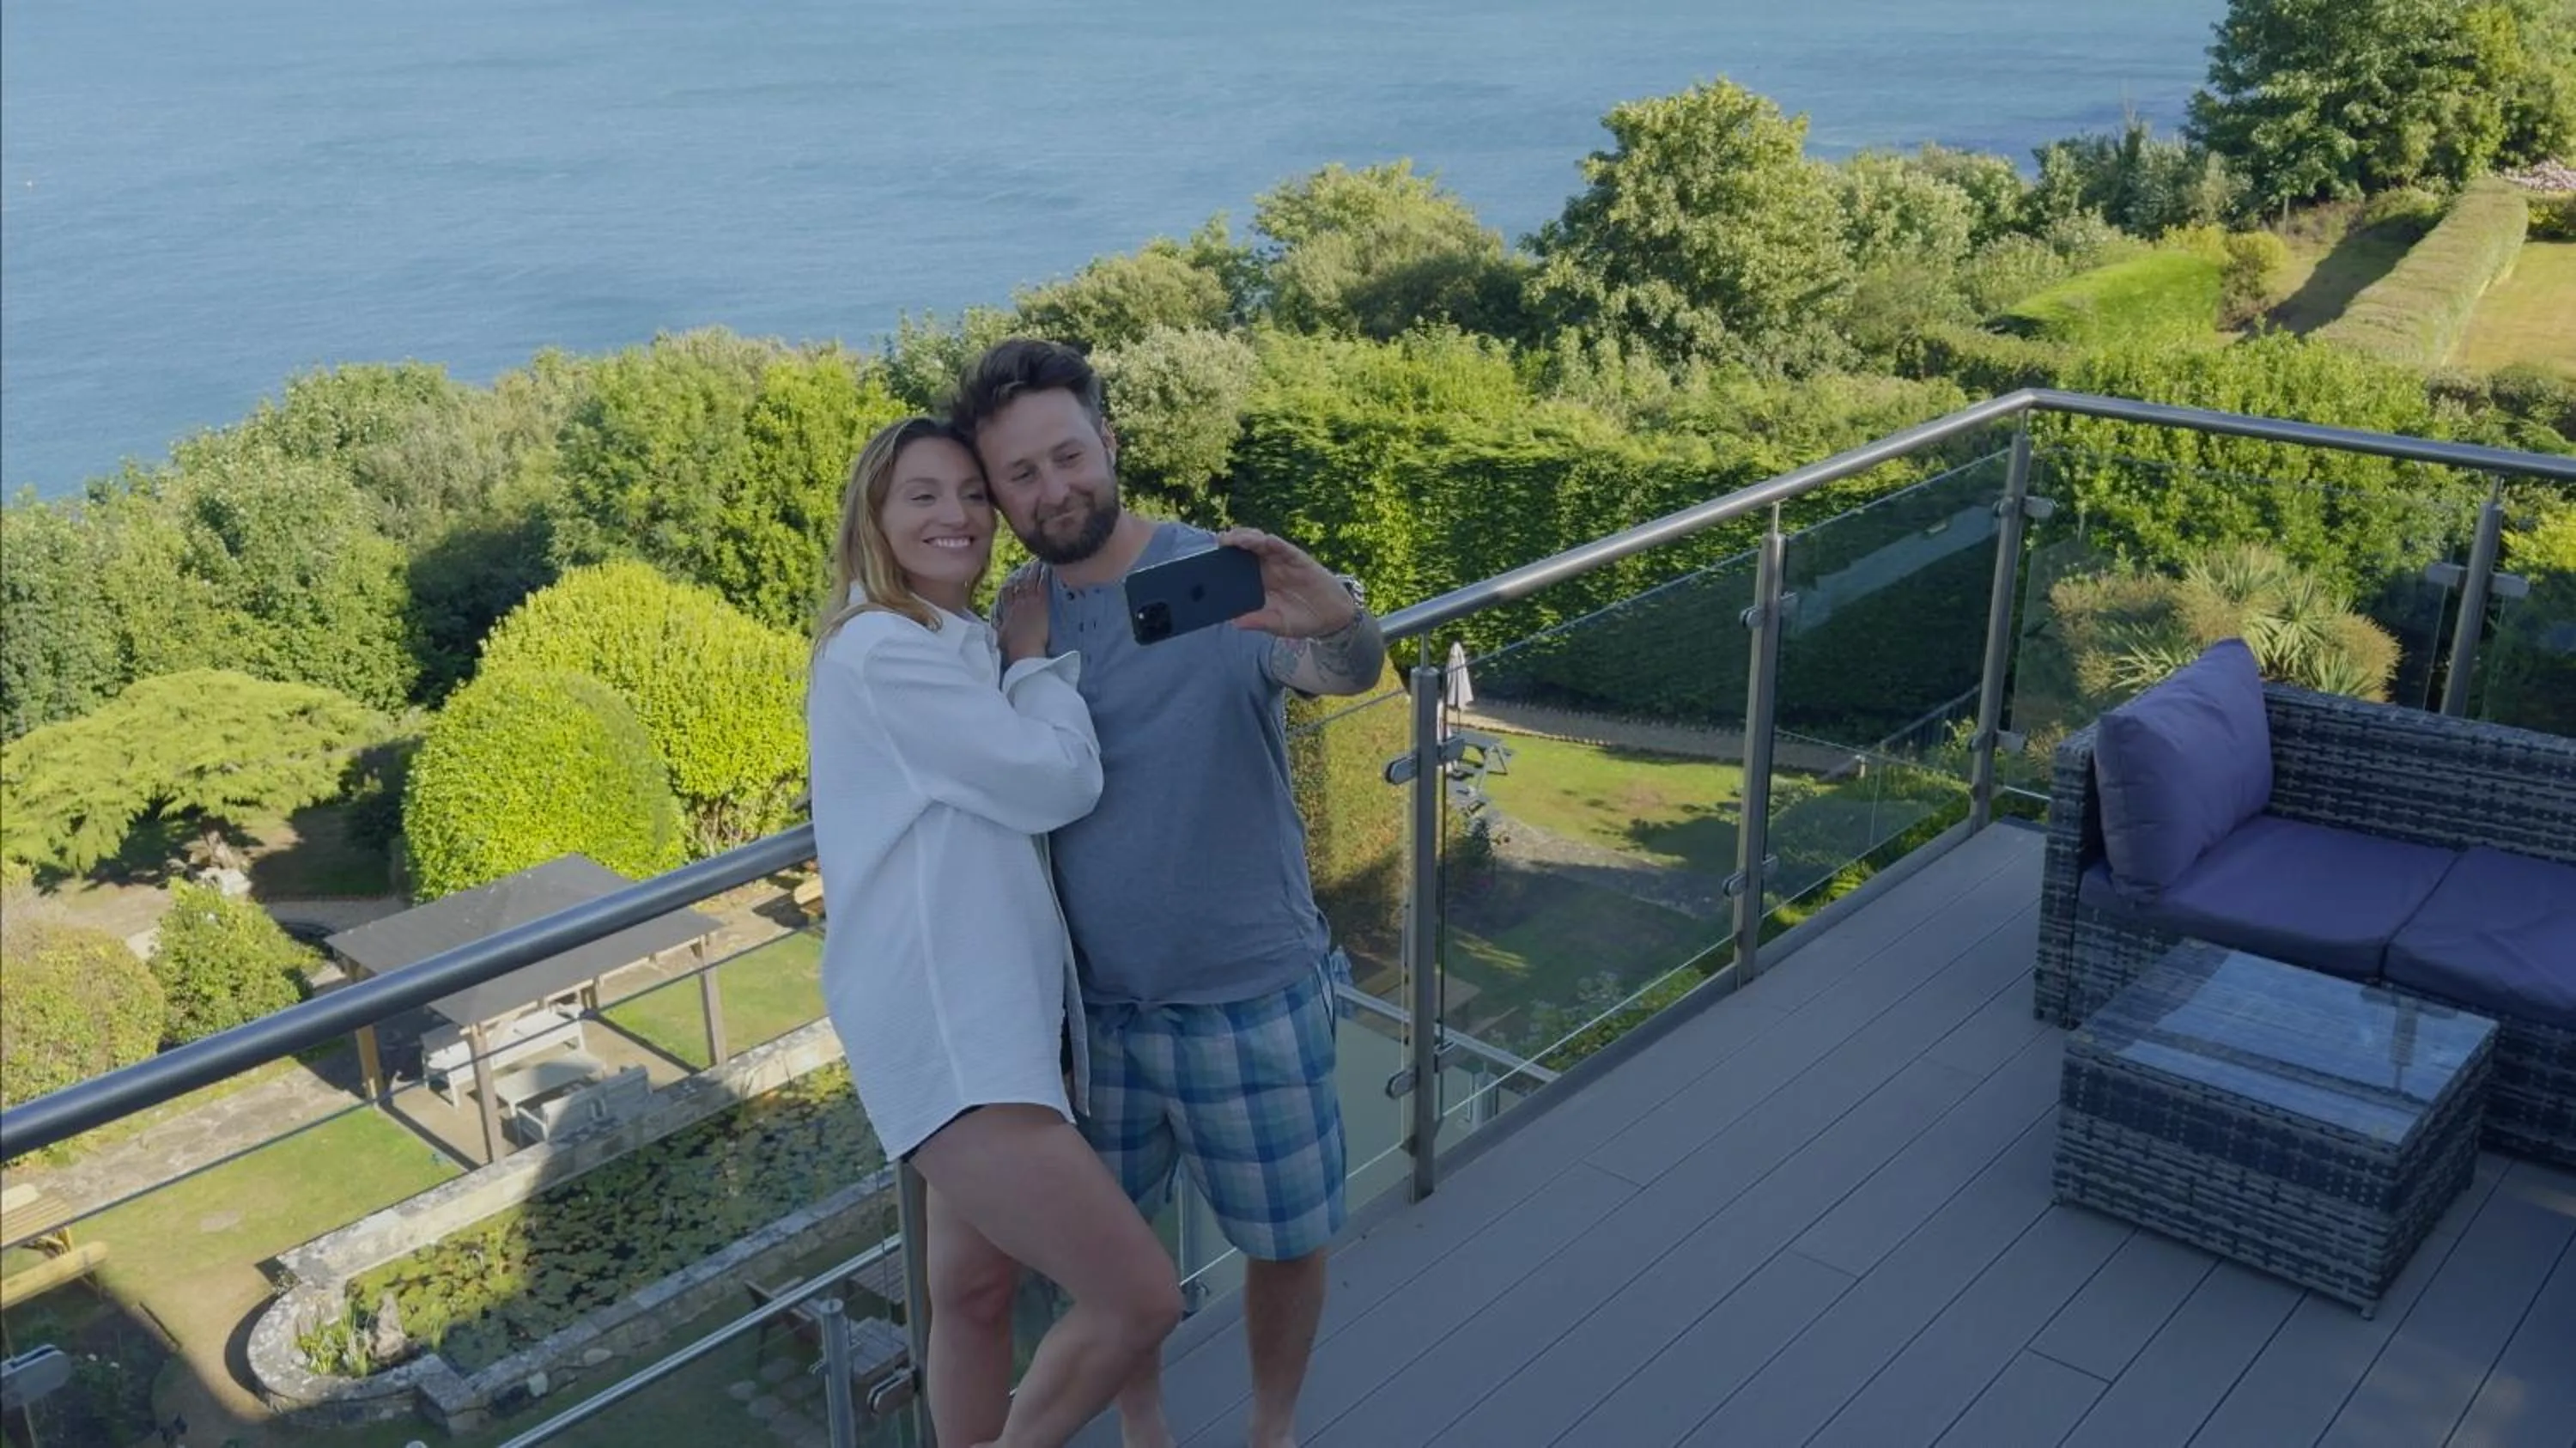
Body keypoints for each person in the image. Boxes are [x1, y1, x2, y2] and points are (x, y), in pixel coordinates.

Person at [952, 339, 1389, 1448]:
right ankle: (1146, 1425)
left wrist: (1339, 619)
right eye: (1022, 474)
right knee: (1110, 1269)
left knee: (1286, 1242)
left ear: (1108, 442)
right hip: (1093, 1022)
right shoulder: (1013, 622)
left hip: (1250, 992)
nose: (1054, 488)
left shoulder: (1221, 577)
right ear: (998, 496)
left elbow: (1343, 672)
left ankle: (1269, 1430)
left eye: (1068, 454)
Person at [805, 415, 1182, 1448]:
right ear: (874, 520)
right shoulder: (887, 650)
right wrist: (1035, 662)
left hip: (988, 1020)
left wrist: (1004, 654)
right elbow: (1057, 779)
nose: (958, 514)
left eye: (973, 493)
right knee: (1138, 1297)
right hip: (952, 1032)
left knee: (971, 1299)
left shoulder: (942, 642)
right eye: (922, 494)